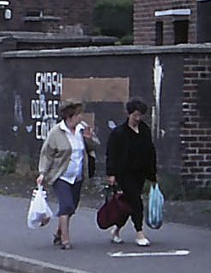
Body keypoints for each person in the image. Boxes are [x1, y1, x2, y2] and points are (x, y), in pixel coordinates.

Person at [36, 100, 98, 250]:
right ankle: (65, 240)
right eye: (78, 114)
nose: (81, 117)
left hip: (77, 175)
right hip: (61, 175)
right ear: (70, 116)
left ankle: (59, 232)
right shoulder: (56, 132)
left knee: (72, 207)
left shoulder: (81, 129)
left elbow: (92, 147)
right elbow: (47, 154)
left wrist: (89, 139)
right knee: (66, 204)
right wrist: (42, 173)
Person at [105, 98, 158, 246]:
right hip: (124, 172)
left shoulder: (145, 130)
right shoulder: (119, 133)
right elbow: (111, 154)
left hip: (140, 172)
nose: (138, 118)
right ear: (129, 114)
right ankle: (139, 232)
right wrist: (111, 174)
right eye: (135, 115)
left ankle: (116, 230)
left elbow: (150, 152)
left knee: (129, 204)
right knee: (136, 200)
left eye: (140, 115)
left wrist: (152, 174)